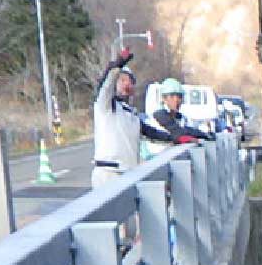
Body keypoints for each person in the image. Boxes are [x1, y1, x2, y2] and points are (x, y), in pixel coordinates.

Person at [91, 47, 175, 187]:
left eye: (129, 81)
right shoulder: (105, 106)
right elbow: (104, 87)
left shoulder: (131, 113)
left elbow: (149, 132)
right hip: (108, 172)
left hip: (129, 173)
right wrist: (116, 66)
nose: (126, 84)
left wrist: (174, 138)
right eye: (122, 80)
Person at [151, 78, 216, 143]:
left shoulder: (181, 117)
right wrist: (202, 134)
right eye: (172, 96)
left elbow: (189, 128)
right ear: (164, 99)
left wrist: (205, 133)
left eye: (179, 97)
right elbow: (178, 131)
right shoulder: (159, 115)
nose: (176, 100)